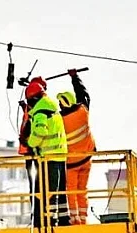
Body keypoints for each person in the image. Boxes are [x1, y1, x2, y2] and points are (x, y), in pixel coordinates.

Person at [21, 77, 70, 228]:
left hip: (48, 158)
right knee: (57, 191)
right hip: (60, 155)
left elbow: (41, 131)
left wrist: (30, 143)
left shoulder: (40, 112)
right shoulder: (52, 108)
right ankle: (61, 220)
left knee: (47, 193)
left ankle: (48, 222)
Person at [57, 70, 95, 225]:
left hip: (72, 163)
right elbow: (84, 95)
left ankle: (75, 220)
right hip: (87, 159)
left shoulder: (61, 119)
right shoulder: (83, 111)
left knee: (71, 192)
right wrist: (75, 78)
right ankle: (83, 219)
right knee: (82, 190)